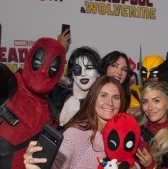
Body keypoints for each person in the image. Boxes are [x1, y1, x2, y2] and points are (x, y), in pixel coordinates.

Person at [23, 76, 140, 169]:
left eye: (116, 97)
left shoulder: (125, 133)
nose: (110, 102)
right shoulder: (76, 134)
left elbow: (132, 161)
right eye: (104, 95)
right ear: (93, 99)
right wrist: (39, 164)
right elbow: (56, 164)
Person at [0, 38, 66, 169]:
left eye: (53, 68)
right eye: (38, 61)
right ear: (29, 58)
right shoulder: (8, 84)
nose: (43, 70)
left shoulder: (52, 113)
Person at [49, 46, 102, 131]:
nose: (83, 73)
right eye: (77, 69)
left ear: (98, 72)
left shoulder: (100, 106)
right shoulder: (57, 94)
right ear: (72, 73)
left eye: (89, 68)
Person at [135, 81, 168, 169]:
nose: (150, 107)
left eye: (156, 101)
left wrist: (151, 165)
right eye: (145, 102)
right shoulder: (136, 126)